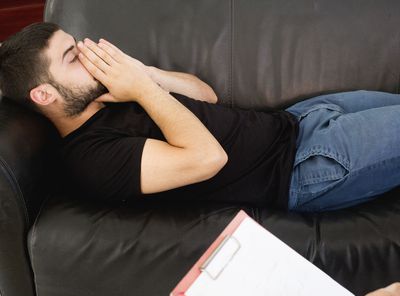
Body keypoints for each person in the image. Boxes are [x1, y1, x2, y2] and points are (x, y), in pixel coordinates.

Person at [1, 22, 400, 213]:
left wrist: (147, 74)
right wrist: (142, 88)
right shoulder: (91, 159)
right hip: (308, 165)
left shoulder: (113, 93)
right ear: (44, 94)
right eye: (73, 57)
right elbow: (207, 158)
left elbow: (205, 95)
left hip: (301, 120)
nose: (90, 55)